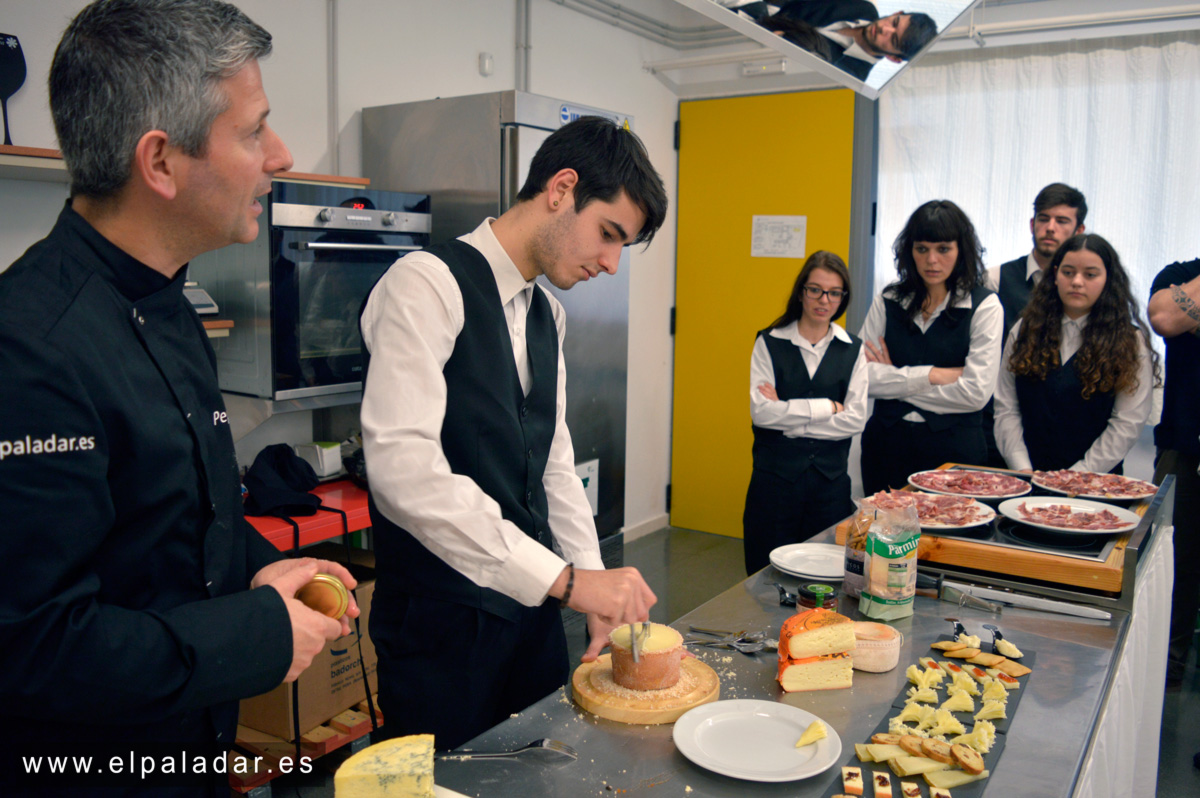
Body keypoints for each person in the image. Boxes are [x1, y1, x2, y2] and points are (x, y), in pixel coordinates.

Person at [0, 1, 358, 795]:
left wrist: (265, 570)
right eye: (254, 130)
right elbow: (35, 644)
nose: (282, 154)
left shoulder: (173, 303)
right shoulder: (28, 347)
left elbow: (182, 527)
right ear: (160, 162)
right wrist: (257, 632)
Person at [360, 116, 667, 749]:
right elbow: (402, 472)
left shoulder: (546, 313)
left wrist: (592, 585)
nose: (611, 264)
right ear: (560, 189)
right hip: (440, 631)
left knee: (541, 771)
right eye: (608, 234)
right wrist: (569, 581)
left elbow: (554, 460)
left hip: (528, 617)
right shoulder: (426, 284)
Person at [858, 200, 1003, 494]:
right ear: (909, 251)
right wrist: (935, 375)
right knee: (882, 536)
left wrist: (896, 383)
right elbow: (861, 377)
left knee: (944, 536)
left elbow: (975, 394)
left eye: (943, 249)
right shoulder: (889, 299)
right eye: (921, 249)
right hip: (886, 445)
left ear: (961, 249)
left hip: (953, 457)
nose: (931, 260)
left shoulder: (984, 305)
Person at [743, 251, 868, 575]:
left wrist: (789, 419)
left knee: (824, 580)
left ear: (843, 297)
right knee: (764, 575)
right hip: (774, 487)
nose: (823, 299)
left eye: (833, 292)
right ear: (801, 292)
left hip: (830, 490)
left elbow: (855, 419)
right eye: (815, 289)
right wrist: (827, 408)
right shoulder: (768, 342)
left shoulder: (854, 349)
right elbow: (762, 415)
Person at [994, 234, 1156, 474]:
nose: (1077, 282)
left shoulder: (1130, 341)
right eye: (1068, 272)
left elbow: (1126, 423)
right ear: (1055, 276)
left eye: (1090, 275)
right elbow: (1006, 407)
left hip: (1095, 485)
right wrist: (1022, 468)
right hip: (1026, 476)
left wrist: (1074, 478)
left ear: (1108, 280)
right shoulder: (1025, 329)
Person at [981, 182, 1088, 466]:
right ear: (1032, 223)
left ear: (1079, 231)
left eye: (1062, 221)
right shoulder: (994, 279)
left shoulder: (1090, 291)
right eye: (1043, 219)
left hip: (1069, 435)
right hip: (999, 426)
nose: (1050, 228)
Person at [1148, 256, 1200, 690]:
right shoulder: (1176, 276)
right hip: (1182, 449)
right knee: (1170, 565)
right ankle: (1166, 670)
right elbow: (1166, 316)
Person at [721, 1, 937, 81]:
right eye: (894, 21)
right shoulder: (863, 7)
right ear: (898, 11)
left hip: (748, 57)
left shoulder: (851, 77)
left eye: (893, 38)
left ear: (893, 57)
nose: (884, 27)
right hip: (756, 8)